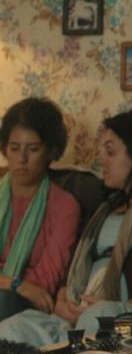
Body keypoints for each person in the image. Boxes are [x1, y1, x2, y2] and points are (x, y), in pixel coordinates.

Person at [0, 111, 132, 345]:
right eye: (14, 148)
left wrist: (121, 305)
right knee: (11, 330)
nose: (101, 160)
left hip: (119, 311)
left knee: (98, 318)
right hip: (73, 311)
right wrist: (62, 300)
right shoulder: (105, 207)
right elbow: (73, 270)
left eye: (110, 152)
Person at [0, 98, 80, 320]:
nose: (21, 159)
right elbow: (23, 287)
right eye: (14, 148)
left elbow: (44, 282)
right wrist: (14, 283)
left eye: (33, 149)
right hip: (15, 289)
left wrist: (15, 289)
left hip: (20, 304)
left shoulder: (65, 206)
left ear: (51, 152)